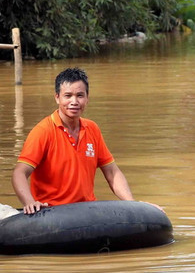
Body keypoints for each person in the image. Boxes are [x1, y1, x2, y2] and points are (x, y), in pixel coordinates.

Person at [12, 67, 140, 215]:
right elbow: (19, 173)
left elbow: (112, 172)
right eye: (68, 96)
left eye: (80, 95)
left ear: (87, 98)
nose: (74, 101)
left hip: (87, 211)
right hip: (52, 213)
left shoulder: (92, 129)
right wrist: (29, 203)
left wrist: (132, 204)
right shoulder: (43, 131)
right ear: (57, 97)